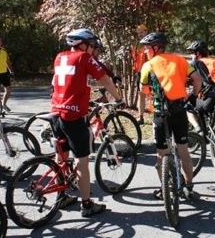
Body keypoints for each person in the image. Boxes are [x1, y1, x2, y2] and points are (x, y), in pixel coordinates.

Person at [51, 28, 125, 216]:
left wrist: (83, 97)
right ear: (82, 45)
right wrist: (118, 98)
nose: (93, 49)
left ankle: (61, 197)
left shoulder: (60, 57)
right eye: (92, 45)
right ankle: (87, 205)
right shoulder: (84, 57)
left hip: (56, 112)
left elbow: (62, 83)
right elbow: (106, 81)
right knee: (81, 161)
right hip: (74, 117)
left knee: (61, 157)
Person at [139, 32, 203, 200]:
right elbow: (197, 78)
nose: (145, 50)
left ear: (155, 47)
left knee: (161, 154)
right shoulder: (180, 60)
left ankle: (164, 189)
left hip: (161, 114)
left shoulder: (148, 65)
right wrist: (194, 96)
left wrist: (141, 112)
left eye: (146, 47)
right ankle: (189, 188)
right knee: (183, 151)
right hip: (179, 111)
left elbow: (143, 91)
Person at [132, 24, 149, 125]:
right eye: (138, 33)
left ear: (146, 32)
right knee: (141, 95)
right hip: (140, 73)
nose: (140, 35)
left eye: (141, 32)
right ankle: (141, 117)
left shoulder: (151, 44)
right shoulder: (137, 44)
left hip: (150, 73)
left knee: (154, 95)